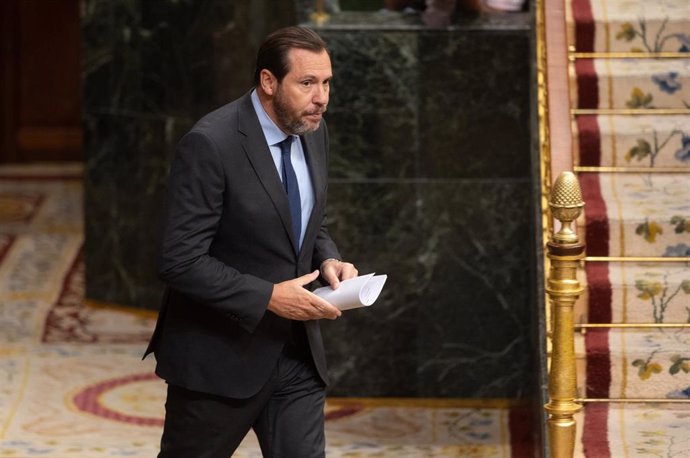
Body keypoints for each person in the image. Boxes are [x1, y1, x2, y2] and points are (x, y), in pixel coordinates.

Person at [144, 25, 358, 458]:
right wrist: (267, 297)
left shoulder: (314, 129)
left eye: (326, 83)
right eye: (307, 83)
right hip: (218, 360)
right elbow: (179, 259)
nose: (322, 97)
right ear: (268, 81)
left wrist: (329, 257)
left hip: (297, 355)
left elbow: (309, 220)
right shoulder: (211, 143)